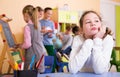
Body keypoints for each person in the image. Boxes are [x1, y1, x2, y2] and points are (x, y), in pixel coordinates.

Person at [20, 5, 46, 73]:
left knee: (27, 73)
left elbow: (27, 44)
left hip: (32, 54)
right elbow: (40, 38)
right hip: (41, 51)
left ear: (25, 15)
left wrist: (21, 46)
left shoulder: (27, 27)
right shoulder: (39, 24)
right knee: (40, 72)